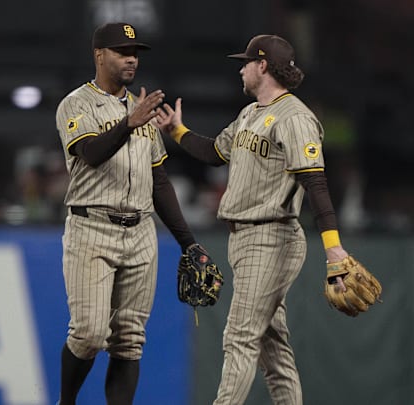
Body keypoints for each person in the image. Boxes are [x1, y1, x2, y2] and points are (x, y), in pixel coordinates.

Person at [155, 34, 351, 405]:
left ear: (263, 66)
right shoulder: (250, 113)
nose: (241, 69)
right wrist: (178, 132)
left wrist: (334, 249)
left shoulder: (296, 118)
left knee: (239, 336)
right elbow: (215, 152)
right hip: (244, 238)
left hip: (271, 236)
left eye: (245, 62)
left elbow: (316, 183)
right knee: (271, 346)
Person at [54, 22, 205, 405]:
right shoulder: (77, 104)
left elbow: (160, 182)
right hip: (93, 228)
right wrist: (129, 122)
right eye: (123, 51)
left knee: (129, 339)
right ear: (99, 55)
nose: (132, 59)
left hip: (140, 233)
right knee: (89, 333)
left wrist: (188, 243)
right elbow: (90, 154)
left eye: (135, 53)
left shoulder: (140, 108)